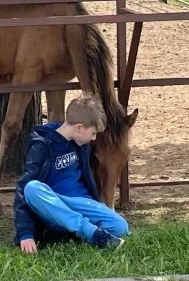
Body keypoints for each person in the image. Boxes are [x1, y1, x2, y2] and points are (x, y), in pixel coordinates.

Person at [14, 94, 129, 254]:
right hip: (54, 206)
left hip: (81, 203)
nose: (94, 139)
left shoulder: (80, 144)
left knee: (120, 226)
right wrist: (25, 233)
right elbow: (23, 188)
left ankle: (78, 229)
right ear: (79, 127)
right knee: (32, 188)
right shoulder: (42, 145)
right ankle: (92, 233)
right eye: (93, 133)